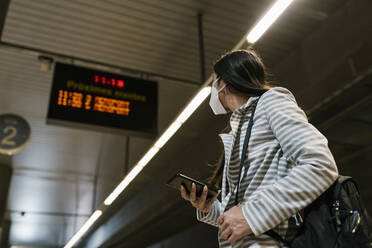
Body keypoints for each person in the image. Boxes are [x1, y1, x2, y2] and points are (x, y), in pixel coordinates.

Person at [180, 49, 339, 247]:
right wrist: (209, 208)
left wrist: (251, 214)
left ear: (224, 83)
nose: (213, 91)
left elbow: (320, 164)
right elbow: (240, 213)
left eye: (213, 82)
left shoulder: (272, 101)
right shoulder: (239, 128)